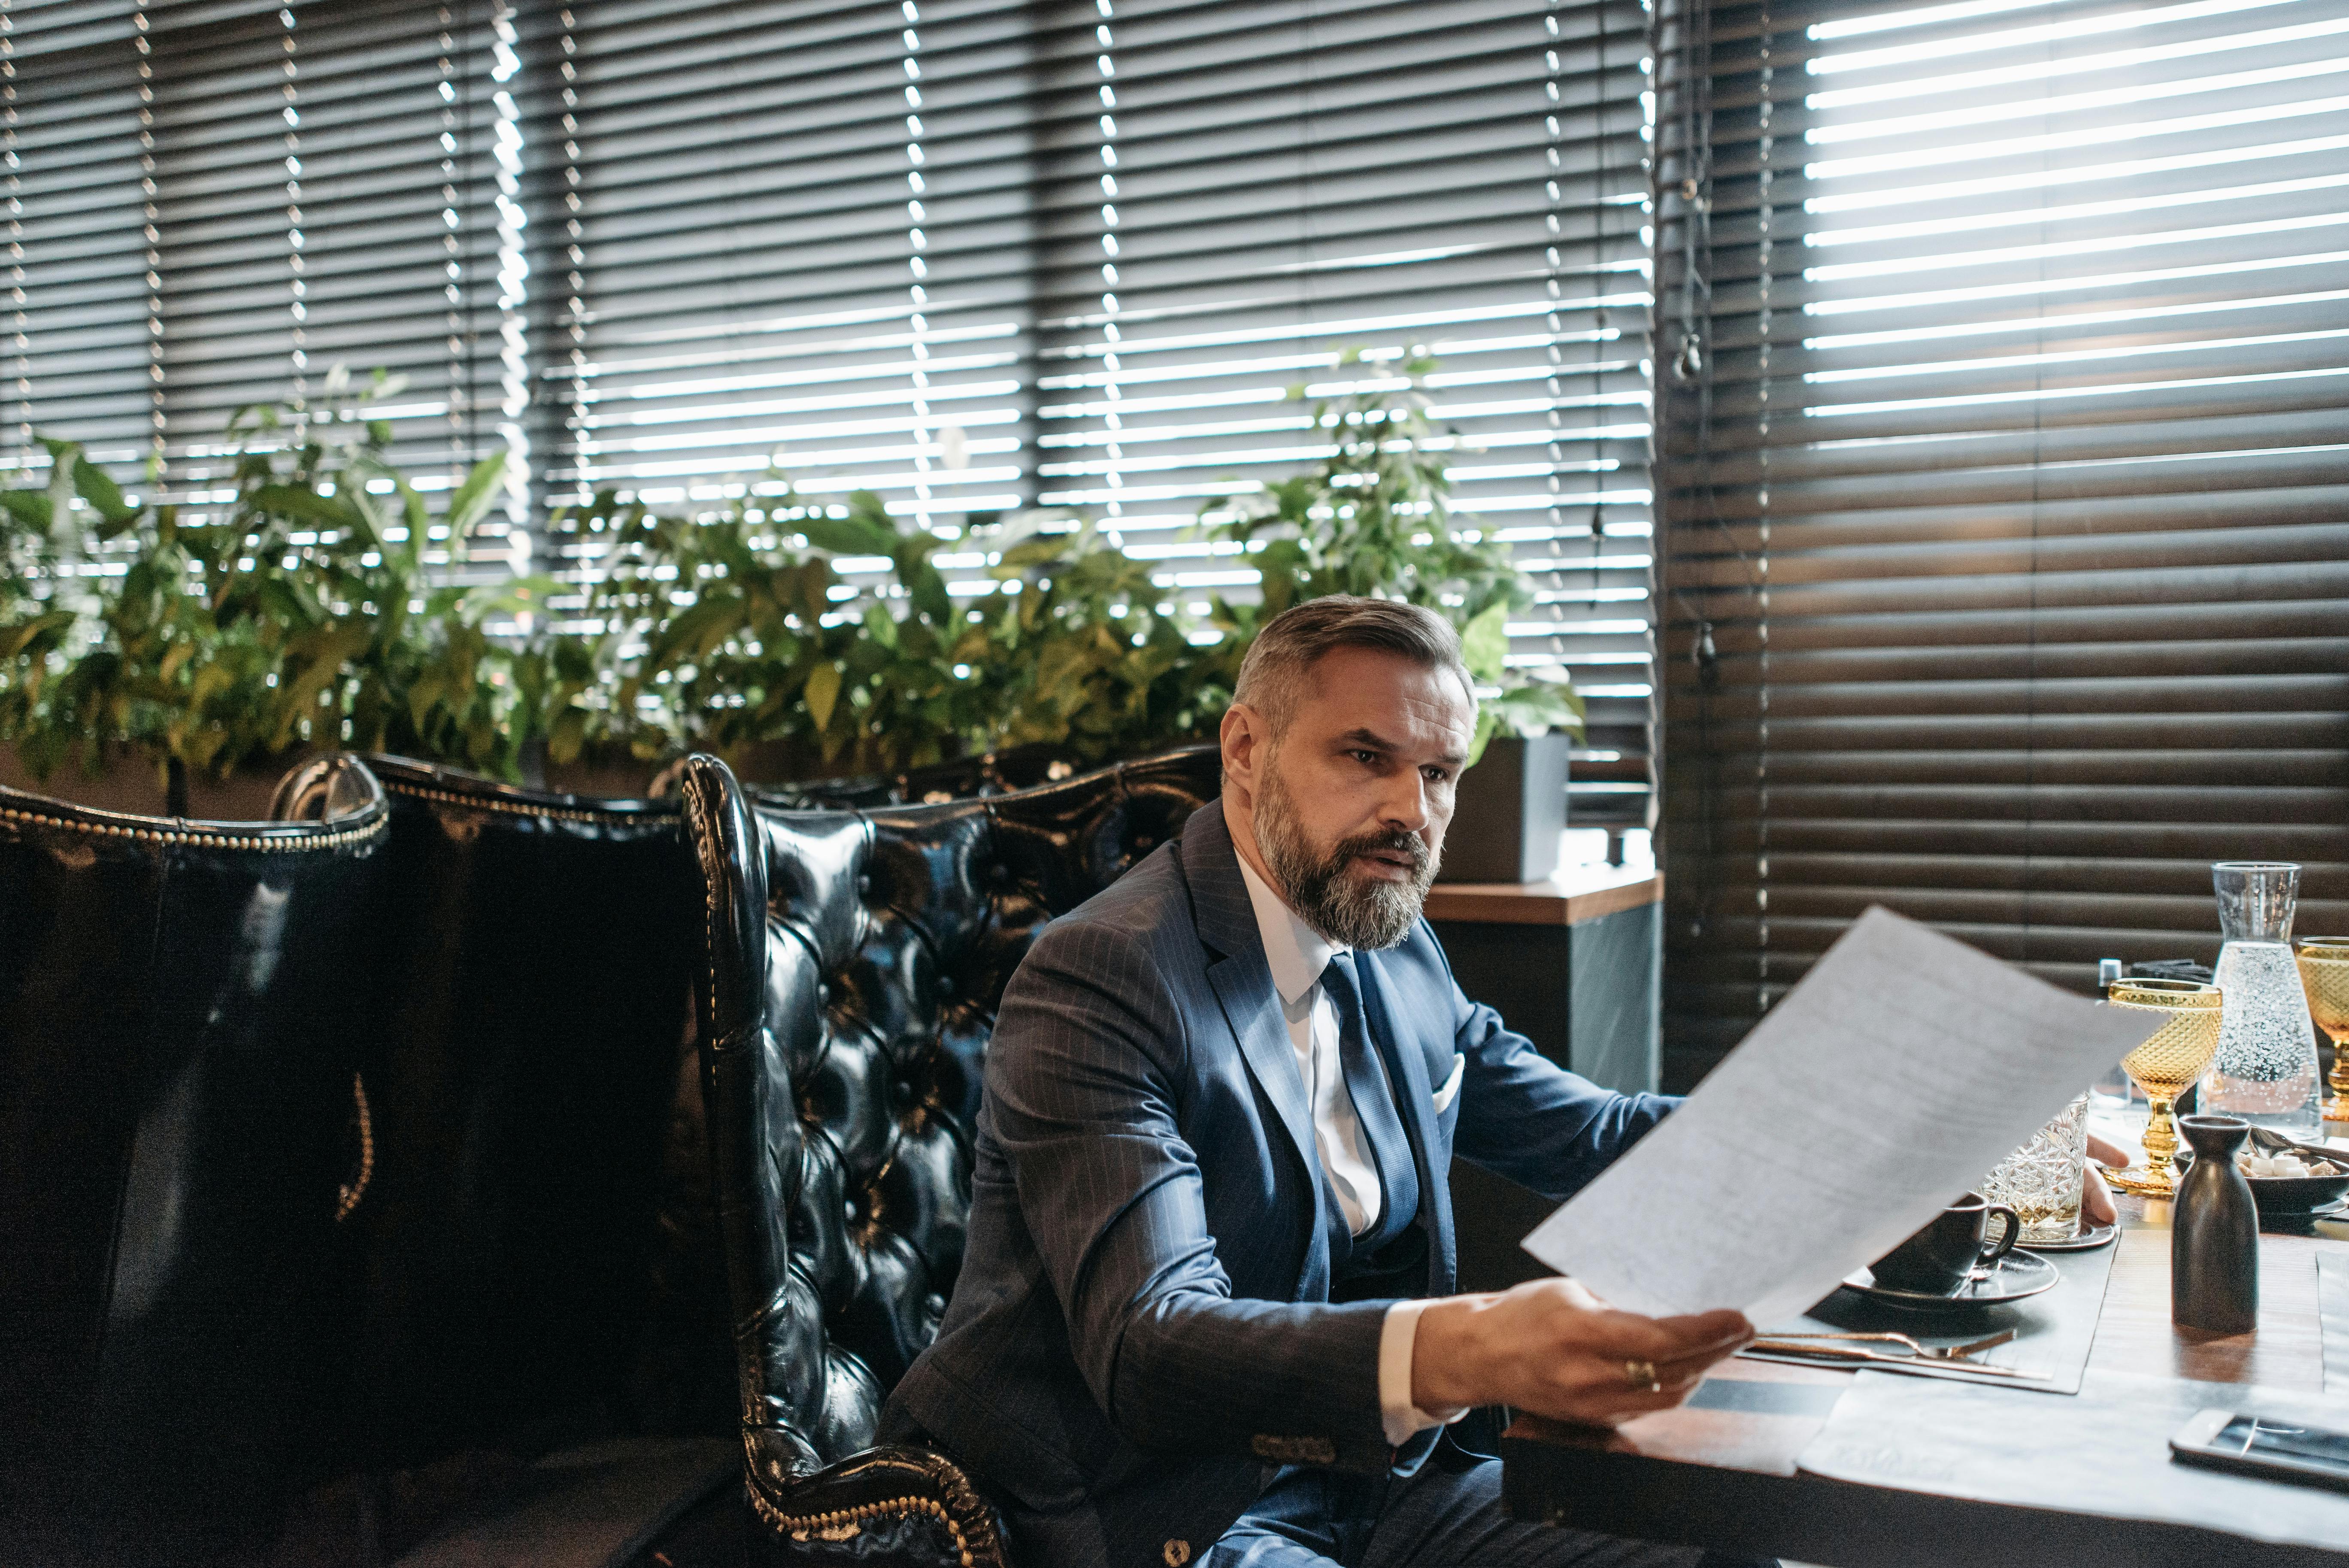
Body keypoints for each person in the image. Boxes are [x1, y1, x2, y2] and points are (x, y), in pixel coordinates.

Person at [879, 596, 1761, 1568]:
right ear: (1246, 749)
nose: (1411, 811)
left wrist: (1823, 1154)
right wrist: (1470, 1347)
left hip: (1376, 1484)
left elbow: (1587, 1136)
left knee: (1727, 1538)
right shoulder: (1104, 974)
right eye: (1365, 756)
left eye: (1438, 773)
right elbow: (1150, 1344)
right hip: (1159, 1502)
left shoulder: (1392, 943)